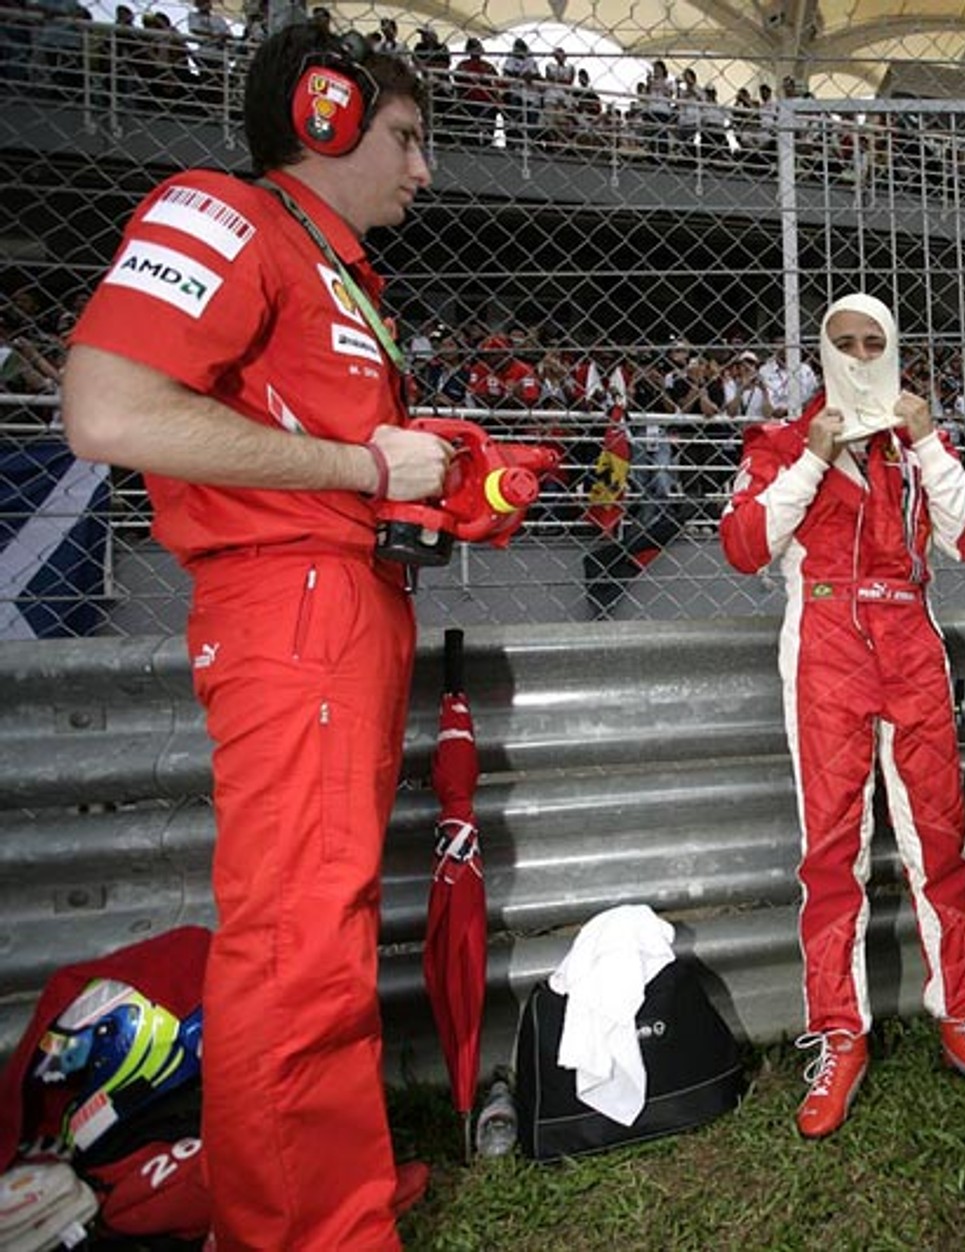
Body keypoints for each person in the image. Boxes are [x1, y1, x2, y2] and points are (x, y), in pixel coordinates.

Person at [60, 24, 448, 1249]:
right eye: (405, 137)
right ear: (323, 116)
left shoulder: (329, 268)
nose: (424, 171)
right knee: (298, 940)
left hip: (340, 602)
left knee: (319, 927)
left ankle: (324, 1186)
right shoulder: (220, 212)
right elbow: (106, 408)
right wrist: (358, 463)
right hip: (290, 607)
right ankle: (301, 1232)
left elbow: (332, 450)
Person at [720, 293, 965, 1139]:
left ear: (894, 350)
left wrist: (925, 438)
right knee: (830, 854)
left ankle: (962, 1014)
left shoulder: (911, 439)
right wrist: (815, 458)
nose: (859, 356)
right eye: (843, 343)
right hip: (824, 648)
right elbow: (744, 546)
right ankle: (839, 1033)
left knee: (941, 841)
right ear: (820, 353)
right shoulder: (783, 442)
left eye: (874, 342)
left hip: (912, 644)